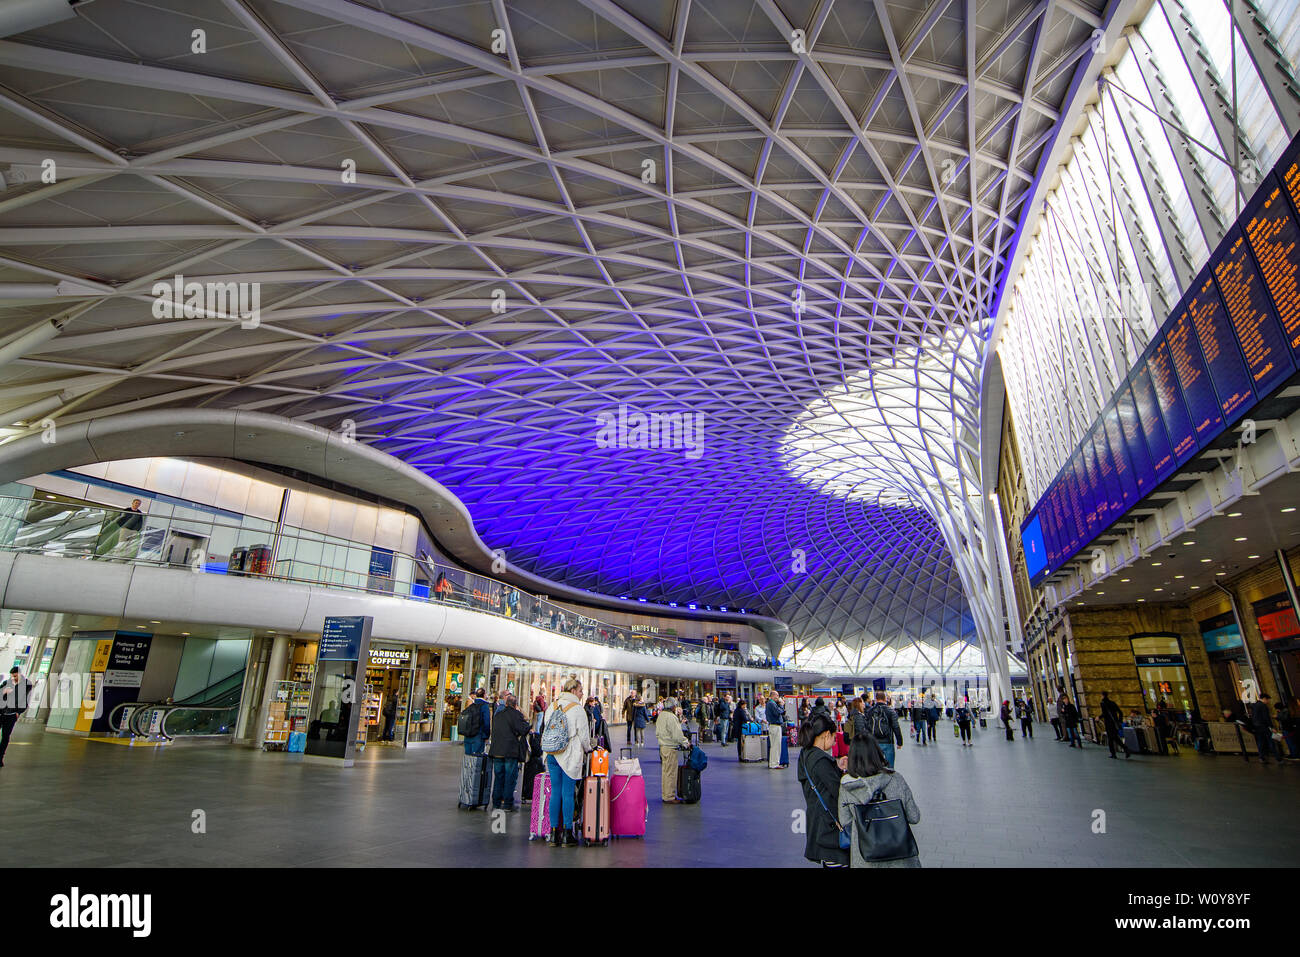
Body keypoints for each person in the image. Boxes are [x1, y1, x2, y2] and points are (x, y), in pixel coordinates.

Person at [838, 734, 921, 868]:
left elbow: (845, 821)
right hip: (901, 858)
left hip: (865, 859)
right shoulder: (896, 779)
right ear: (877, 753)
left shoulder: (847, 787)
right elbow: (914, 816)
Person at [541, 677, 593, 846]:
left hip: (552, 753)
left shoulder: (553, 706)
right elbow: (584, 737)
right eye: (580, 690)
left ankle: (554, 833)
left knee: (555, 792)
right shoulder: (577, 709)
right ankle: (567, 834)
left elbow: (546, 727)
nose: (582, 693)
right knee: (568, 793)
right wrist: (589, 749)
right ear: (572, 691)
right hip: (569, 755)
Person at [796, 711, 849, 868]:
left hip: (818, 822)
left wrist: (836, 765)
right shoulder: (821, 760)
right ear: (826, 734)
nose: (834, 743)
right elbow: (839, 791)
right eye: (833, 737)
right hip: (830, 827)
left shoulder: (805, 754)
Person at [488, 694, 532, 811]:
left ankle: (496, 803)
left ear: (506, 704)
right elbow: (522, 729)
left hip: (496, 751)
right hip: (510, 751)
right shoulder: (516, 715)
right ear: (515, 705)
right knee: (509, 778)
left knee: (498, 777)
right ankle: (507, 803)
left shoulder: (498, 715)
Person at [656, 696, 691, 803]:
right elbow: (677, 735)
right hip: (670, 747)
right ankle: (669, 797)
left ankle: (665, 794)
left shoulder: (661, 715)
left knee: (665, 772)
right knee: (671, 773)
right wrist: (686, 743)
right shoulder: (671, 717)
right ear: (673, 706)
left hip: (663, 746)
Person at [0, 666, 33, 768]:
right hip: (1, 713)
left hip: (11, 715)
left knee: (5, 736)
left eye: (15, 676)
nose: (13, 678)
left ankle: (0, 758)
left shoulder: (27, 684)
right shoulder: (6, 682)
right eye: (12, 676)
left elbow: (24, 699)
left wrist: (18, 712)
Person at [865, 691, 903, 767]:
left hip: (874, 742)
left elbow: (866, 727)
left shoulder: (869, 711)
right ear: (885, 699)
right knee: (890, 767)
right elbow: (896, 727)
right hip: (888, 742)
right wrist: (899, 742)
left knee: (876, 767)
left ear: (876, 699)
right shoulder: (890, 711)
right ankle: (889, 778)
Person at [1248, 693, 1279, 764]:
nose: (1268, 702)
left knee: (1260, 742)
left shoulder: (1254, 706)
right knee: (1271, 741)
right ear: (1264, 698)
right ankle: (1278, 758)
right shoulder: (1263, 706)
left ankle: (1261, 757)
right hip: (1264, 726)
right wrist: (1271, 727)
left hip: (1256, 726)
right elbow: (1266, 717)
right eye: (1267, 700)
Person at [1099, 692, 1129, 759]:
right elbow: (1120, 712)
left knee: (1111, 739)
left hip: (1108, 723)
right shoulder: (1112, 703)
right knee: (1115, 738)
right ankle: (1124, 749)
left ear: (1103, 696)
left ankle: (1114, 753)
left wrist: (1099, 717)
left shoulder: (1103, 703)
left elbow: (1104, 713)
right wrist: (1119, 721)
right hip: (1114, 723)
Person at [462, 688, 491, 755]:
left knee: (468, 759)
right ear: (484, 695)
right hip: (479, 736)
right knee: (477, 759)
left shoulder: (471, 705)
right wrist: (486, 736)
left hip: (468, 736)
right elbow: (486, 723)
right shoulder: (485, 706)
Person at [765, 691, 786, 769]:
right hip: (775, 726)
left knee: (774, 746)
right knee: (776, 746)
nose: (778, 698)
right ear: (774, 696)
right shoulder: (772, 703)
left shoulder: (770, 703)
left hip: (772, 726)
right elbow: (778, 712)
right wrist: (781, 705)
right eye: (777, 696)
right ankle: (774, 763)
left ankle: (772, 762)